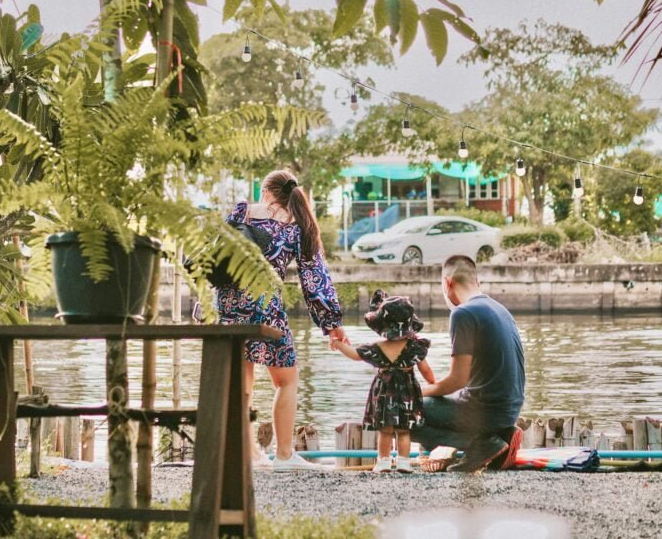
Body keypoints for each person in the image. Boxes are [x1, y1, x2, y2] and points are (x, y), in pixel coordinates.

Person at [218, 170, 350, 471]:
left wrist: (204, 306)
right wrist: (331, 323)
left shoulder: (242, 212)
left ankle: (248, 454)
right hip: (265, 306)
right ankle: (285, 455)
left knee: (242, 383)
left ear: (266, 191)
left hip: (226, 306)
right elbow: (314, 279)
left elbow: (215, 256)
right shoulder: (297, 225)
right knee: (286, 381)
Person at [411, 255, 525, 472]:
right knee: (434, 401)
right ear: (477, 282)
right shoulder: (500, 309)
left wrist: (417, 392)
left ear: (447, 283)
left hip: (485, 412)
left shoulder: (463, 313)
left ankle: (481, 444)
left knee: (400, 408)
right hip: (509, 410)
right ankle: (499, 436)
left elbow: (457, 380)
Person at [332, 290, 435, 473]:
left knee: (385, 430)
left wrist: (339, 344)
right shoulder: (415, 347)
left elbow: (354, 355)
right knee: (404, 430)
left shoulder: (377, 348)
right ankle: (404, 462)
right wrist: (433, 383)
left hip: (384, 392)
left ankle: (383, 462)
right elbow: (425, 369)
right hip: (407, 392)